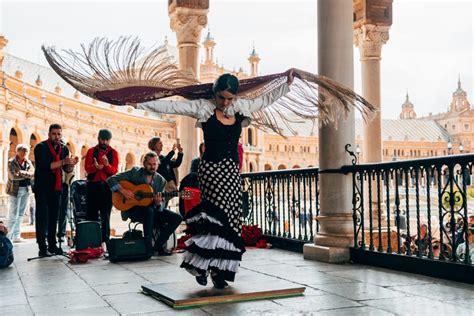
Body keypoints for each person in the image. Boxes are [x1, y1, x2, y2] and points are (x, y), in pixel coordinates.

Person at [135, 71, 294, 288]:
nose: (226, 102)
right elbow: (172, 107)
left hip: (231, 171)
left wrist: (287, 83)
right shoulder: (203, 108)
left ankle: (219, 271)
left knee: (231, 221)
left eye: (230, 98)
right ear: (214, 94)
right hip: (211, 169)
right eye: (222, 98)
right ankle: (201, 264)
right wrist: (139, 104)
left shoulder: (241, 108)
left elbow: (265, 100)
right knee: (216, 216)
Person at [106, 152, 182, 256]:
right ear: (144, 163)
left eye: (154, 164)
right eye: (149, 164)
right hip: (133, 209)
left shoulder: (161, 181)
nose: (152, 167)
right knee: (149, 211)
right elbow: (111, 179)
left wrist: (158, 203)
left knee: (177, 218)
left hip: (152, 210)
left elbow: (159, 207)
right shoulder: (134, 172)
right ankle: (147, 248)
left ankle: (157, 246)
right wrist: (123, 190)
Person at [34, 124, 78, 256]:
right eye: (54, 134)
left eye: (59, 134)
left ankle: (52, 245)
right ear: (49, 134)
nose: (57, 136)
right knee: (42, 217)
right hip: (42, 187)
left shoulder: (64, 149)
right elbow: (46, 165)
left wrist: (71, 164)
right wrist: (64, 162)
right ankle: (42, 247)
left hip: (56, 187)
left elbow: (66, 170)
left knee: (54, 217)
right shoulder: (40, 147)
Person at [85, 129, 119, 244]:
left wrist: (106, 165)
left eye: (106, 140)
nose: (104, 142)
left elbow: (114, 171)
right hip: (92, 186)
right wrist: (95, 167)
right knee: (91, 214)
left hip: (106, 187)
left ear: (109, 141)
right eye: (102, 139)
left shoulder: (113, 153)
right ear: (98, 139)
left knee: (106, 215)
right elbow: (87, 168)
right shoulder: (91, 151)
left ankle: (106, 241)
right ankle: (91, 240)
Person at [6, 144, 35, 242]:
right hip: (15, 190)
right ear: (17, 152)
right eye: (22, 151)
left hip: (26, 190)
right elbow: (13, 176)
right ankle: (8, 237)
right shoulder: (11, 162)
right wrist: (26, 175)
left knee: (21, 214)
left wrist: (21, 173)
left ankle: (16, 236)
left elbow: (33, 174)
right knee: (13, 214)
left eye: (26, 152)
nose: (25, 154)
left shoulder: (28, 162)